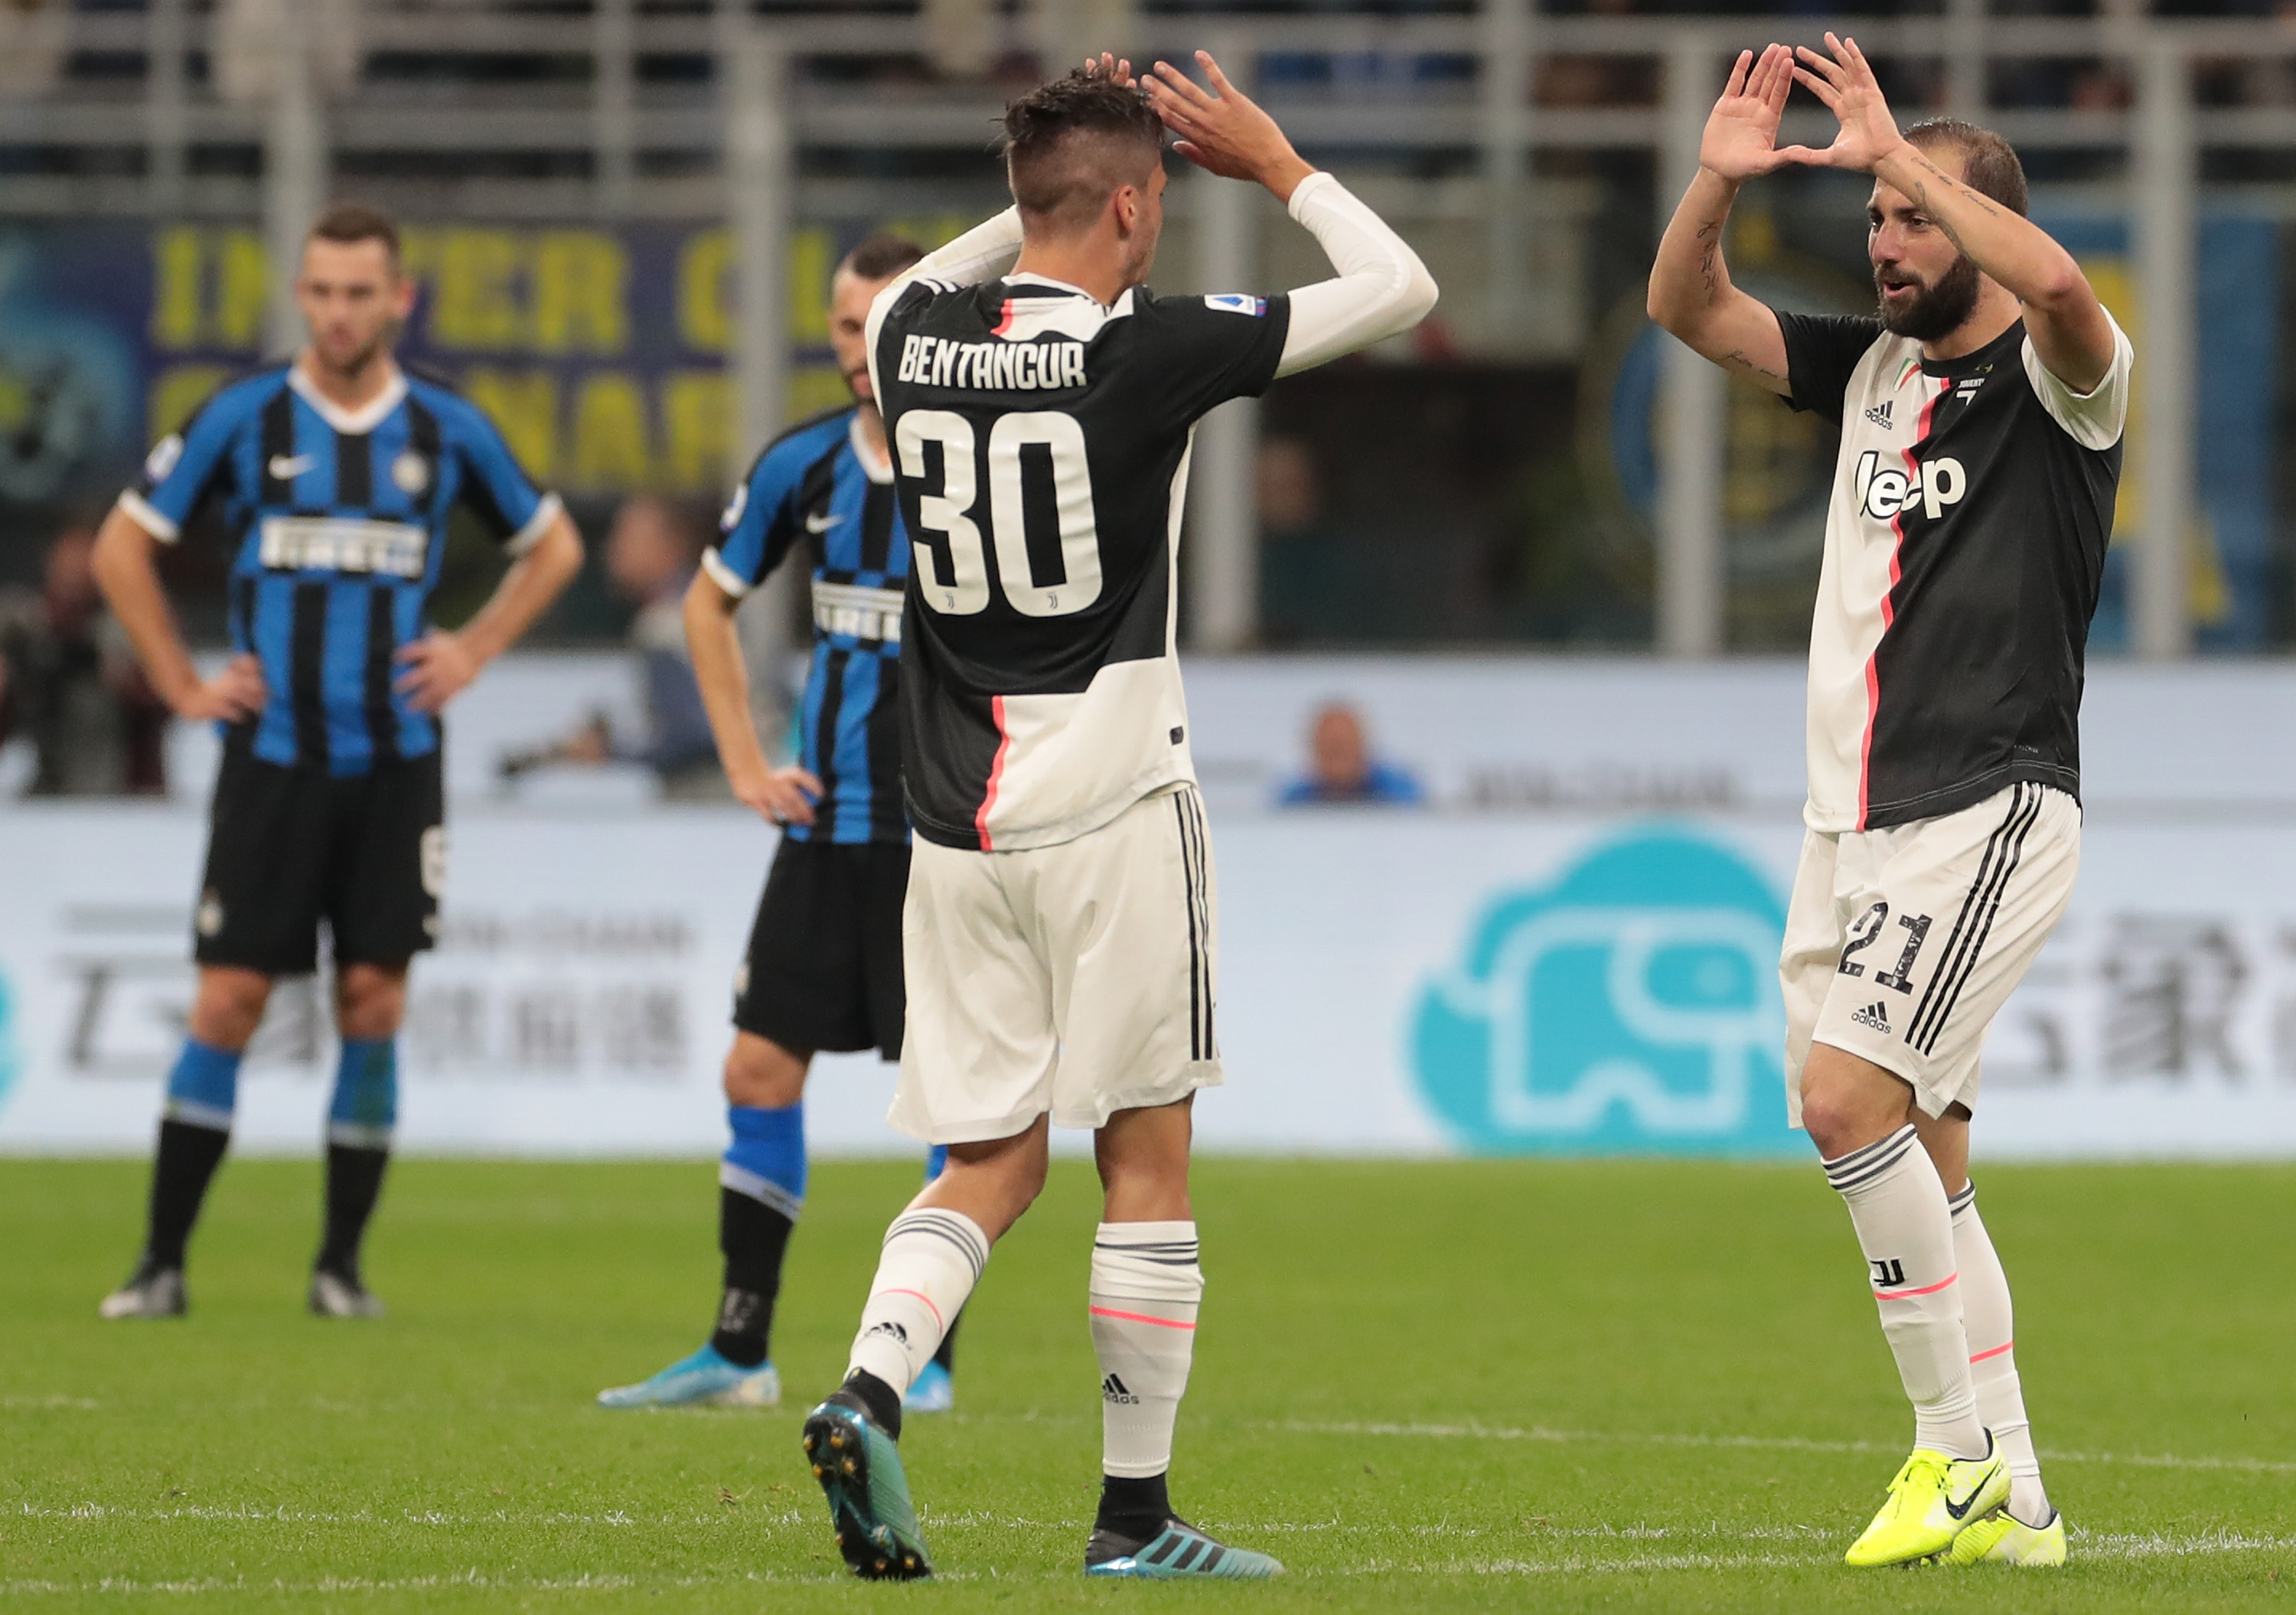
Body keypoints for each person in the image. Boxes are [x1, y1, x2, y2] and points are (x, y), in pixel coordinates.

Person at [799, 54, 1434, 1581]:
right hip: (1111, 796)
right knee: (1144, 1153)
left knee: (987, 1158)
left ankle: (869, 1379)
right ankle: (1133, 1514)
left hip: (951, 816)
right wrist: (1275, 162)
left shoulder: (907, 334)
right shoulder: (1146, 354)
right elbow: (1400, 286)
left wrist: (1046, 175)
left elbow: (976, 256)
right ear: (1140, 209)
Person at [1647, 38, 2129, 1570]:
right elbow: (1686, 310)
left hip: (1982, 799)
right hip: (1848, 822)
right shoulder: (1868, 371)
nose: (1888, 241)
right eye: (1876, 222)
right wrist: (1717, 186)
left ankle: (1956, 1456)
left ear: (1973, 217)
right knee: (1926, 1154)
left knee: (1845, 1104)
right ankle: (2026, 1500)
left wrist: (1898, 152)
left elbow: (2059, 289)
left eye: (1913, 218)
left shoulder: (2064, 383)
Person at [89, 202, 584, 1320]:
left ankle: (339, 1267)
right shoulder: (244, 416)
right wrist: (178, 681)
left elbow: (554, 545)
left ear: (398, 300)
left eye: (361, 291)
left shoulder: (445, 427)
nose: (340, 310)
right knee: (227, 1000)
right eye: (321, 290)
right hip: (270, 757)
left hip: (396, 761)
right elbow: (124, 546)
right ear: (300, 297)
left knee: (373, 997)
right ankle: (161, 1262)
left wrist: (475, 646)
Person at [595, 235, 967, 1416]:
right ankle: (738, 1350)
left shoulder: (991, 463)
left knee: (956, 1095)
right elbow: (706, 607)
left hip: (948, 839)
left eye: (883, 323)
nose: (863, 351)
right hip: (826, 828)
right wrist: (749, 760)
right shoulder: (806, 464)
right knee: (756, 1065)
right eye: (845, 329)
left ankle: (935, 1358)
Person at [507, 495, 722, 800]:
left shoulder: (666, 623)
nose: (612, 551)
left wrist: (609, 751)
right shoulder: (708, 601)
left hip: (717, 800)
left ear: (671, 545)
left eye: (629, 539)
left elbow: (693, 737)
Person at [0, 524, 172, 797]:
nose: (75, 582)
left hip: (125, 799)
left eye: (85, 570)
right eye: (67, 570)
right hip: (47, 794)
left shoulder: (135, 626)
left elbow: (165, 703)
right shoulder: (28, 632)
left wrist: (115, 669)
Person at [1275, 701, 1424, 806]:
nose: (1339, 757)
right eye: (1330, 748)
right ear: (1314, 751)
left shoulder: (1400, 796)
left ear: (1364, 746)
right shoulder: (1293, 802)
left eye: (1346, 746)